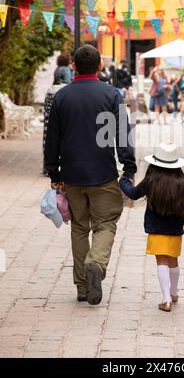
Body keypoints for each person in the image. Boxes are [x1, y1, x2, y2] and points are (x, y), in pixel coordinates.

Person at [45, 45, 137, 305]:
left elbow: (52, 138)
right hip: (103, 172)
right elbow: (122, 134)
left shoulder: (62, 97)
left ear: (73, 66)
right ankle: (95, 264)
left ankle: (83, 285)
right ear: (100, 67)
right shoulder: (112, 94)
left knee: (79, 227)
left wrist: (54, 171)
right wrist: (128, 168)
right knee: (105, 223)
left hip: (72, 174)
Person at [119, 143, 184, 312]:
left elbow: (133, 193)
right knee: (173, 261)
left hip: (156, 229)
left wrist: (124, 181)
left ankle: (166, 299)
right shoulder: (183, 184)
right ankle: (174, 292)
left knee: (161, 261)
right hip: (175, 230)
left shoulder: (151, 181)